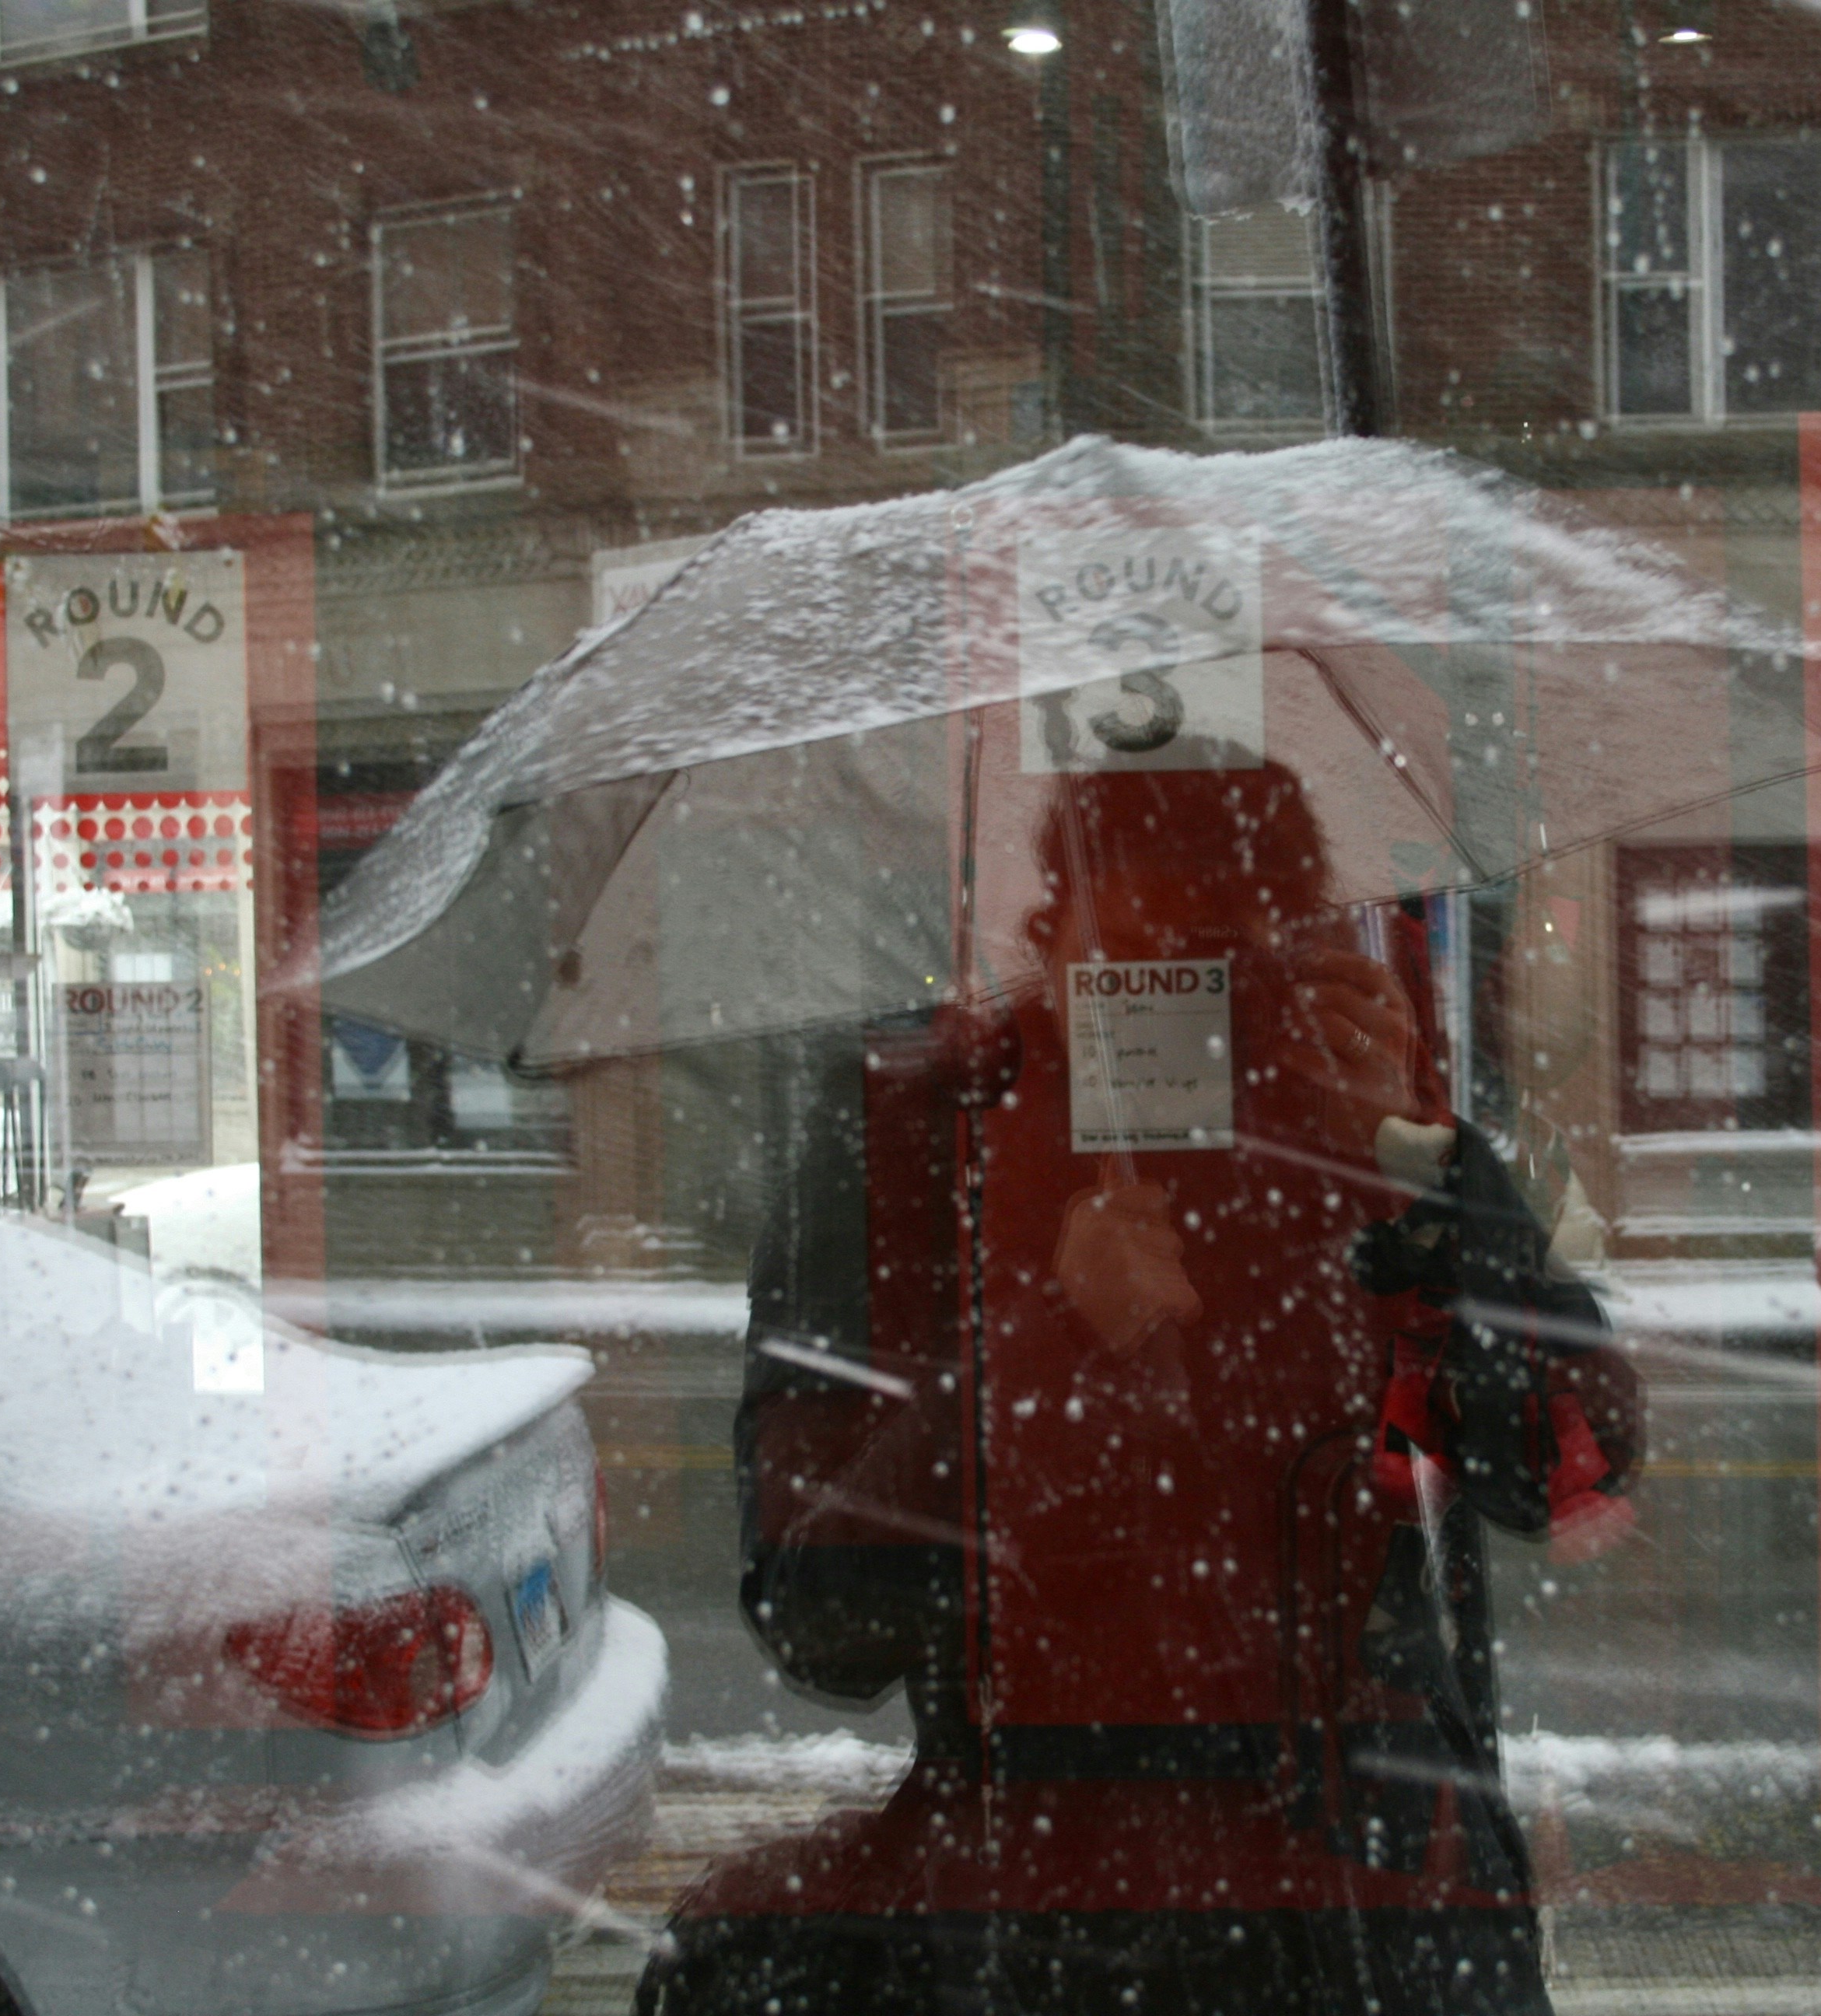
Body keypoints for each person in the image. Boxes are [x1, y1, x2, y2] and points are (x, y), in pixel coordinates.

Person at [644, 756, 1640, 2016]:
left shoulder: (1349, 1135)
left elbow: (1566, 1476)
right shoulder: (919, 1140)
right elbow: (821, 1615)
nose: (1181, 1011)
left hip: (1353, 1891)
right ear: (1045, 942)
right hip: (1039, 1878)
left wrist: (1427, 1173)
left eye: (1225, 963)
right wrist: (1051, 1340)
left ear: (1291, 964)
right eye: (1138, 960)